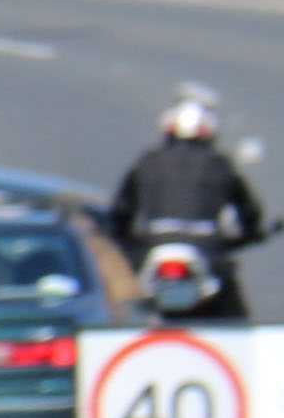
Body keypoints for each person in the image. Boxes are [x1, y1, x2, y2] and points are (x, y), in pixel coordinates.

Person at [108, 98, 266, 315]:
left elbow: (121, 211)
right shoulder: (218, 163)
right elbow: (249, 210)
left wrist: (126, 239)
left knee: (133, 304)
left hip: (152, 246)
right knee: (232, 310)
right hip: (205, 247)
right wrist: (251, 232)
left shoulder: (147, 161)